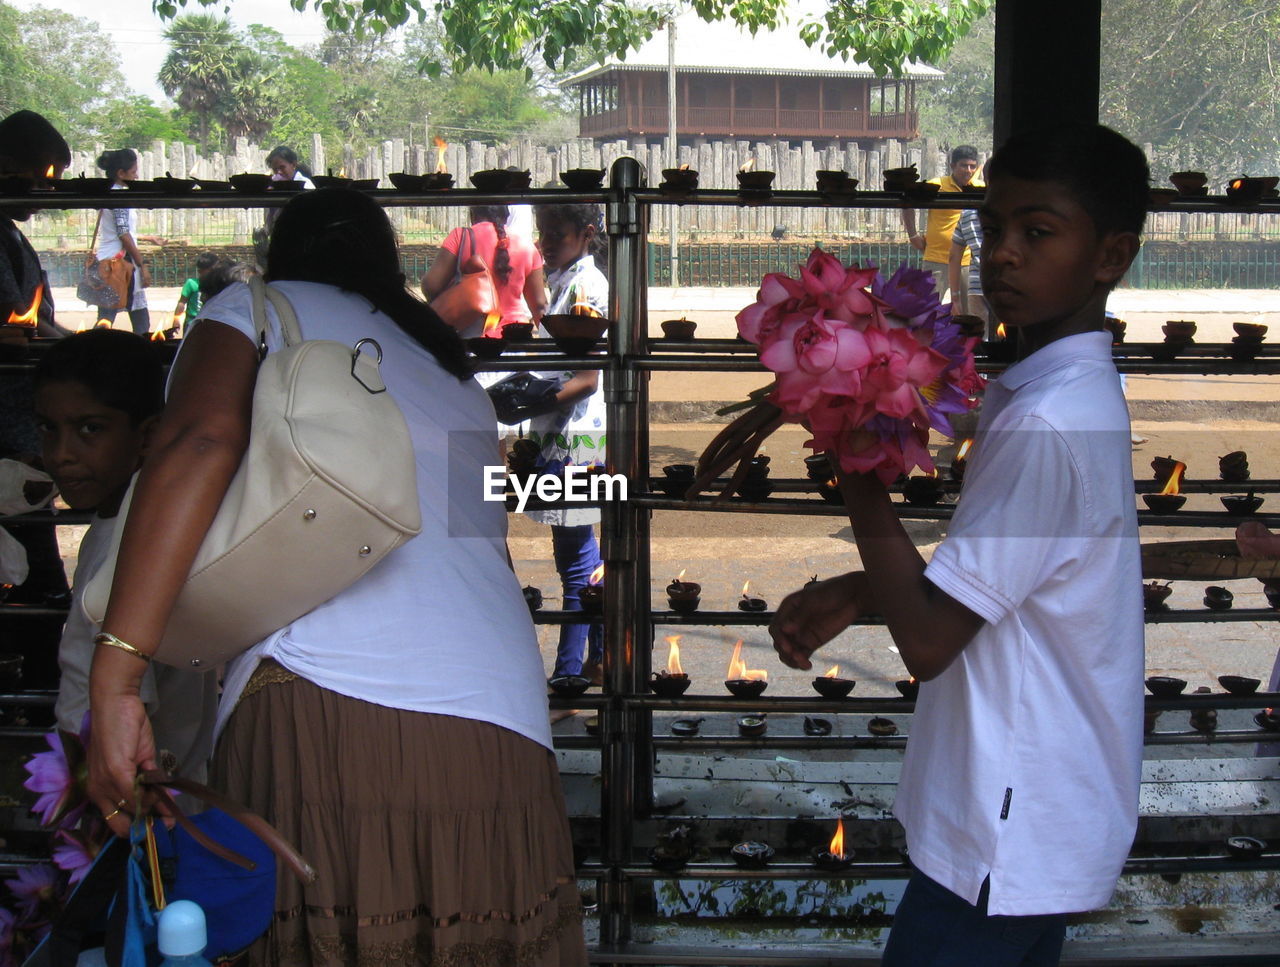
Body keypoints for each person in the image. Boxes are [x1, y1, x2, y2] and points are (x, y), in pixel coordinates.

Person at [84, 188, 587, 966]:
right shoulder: (450, 372)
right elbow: (472, 536)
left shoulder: (254, 309)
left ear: (282, 256)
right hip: (504, 725)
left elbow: (196, 440)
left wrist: (116, 678)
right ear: (386, 267)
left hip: (328, 704)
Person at [771, 124, 1149, 965]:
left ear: (1109, 256)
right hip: (1033, 815)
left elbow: (932, 640)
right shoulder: (1056, 392)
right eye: (993, 226)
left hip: (1005, 830)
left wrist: (851, 451)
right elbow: (1010, 581)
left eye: (1037, 232)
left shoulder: (1052, 422)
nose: (1002, 255)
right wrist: (865, 587)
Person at [32, 329, 217, 777]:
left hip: (133, 805)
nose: (61, 455)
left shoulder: (130, 547)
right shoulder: (133, 520)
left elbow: (102, 720)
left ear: (149, 434)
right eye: (48, 429)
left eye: (89, 430)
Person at [528, 203, 609, 683]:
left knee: (575, 559)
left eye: (556, 233)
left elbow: (587, 378)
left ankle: (568, 675)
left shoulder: (586, 285)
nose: (545, 242)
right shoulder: (564, 280)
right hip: (562, 431)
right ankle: (598, 661)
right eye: (543, 232)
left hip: (573, 435)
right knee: (585, 555)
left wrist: (520, 402)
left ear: (587, 233)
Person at [421, 205, 547, 336]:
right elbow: (539, 306)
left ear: (472, 215)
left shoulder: (460, 236)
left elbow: (431, 285)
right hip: (514, 337)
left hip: (471, 337)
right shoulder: (526, 246)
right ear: (506, 217)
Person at [96, 148, 165, 335]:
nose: (136, 176)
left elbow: (119, 231)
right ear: (121, 173)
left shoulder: (109, 193)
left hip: (109, 259)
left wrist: (147, 238)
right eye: (133, 172)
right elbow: (123, 234)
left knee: (107, 316)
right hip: (119, 264)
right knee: (138, 318)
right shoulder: (119, 196)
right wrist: (142, 265)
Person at [902, 144, 982, 304]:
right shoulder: (936, 186)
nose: (968, 170)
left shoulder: (979, 188)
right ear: (952, 166)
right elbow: (907, 201)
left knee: (968, 316)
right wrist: (913, 235)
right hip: (936, 259)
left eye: (972, 166)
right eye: (963, 165)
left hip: (965, 261)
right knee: (927, 310)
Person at [169, 252, 219, 339]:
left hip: (211, 321)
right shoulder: (191, 284)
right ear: (200, 271)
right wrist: (176, 318)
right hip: (192, 321)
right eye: (211, 270)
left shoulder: (218, 285)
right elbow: (182, 302)